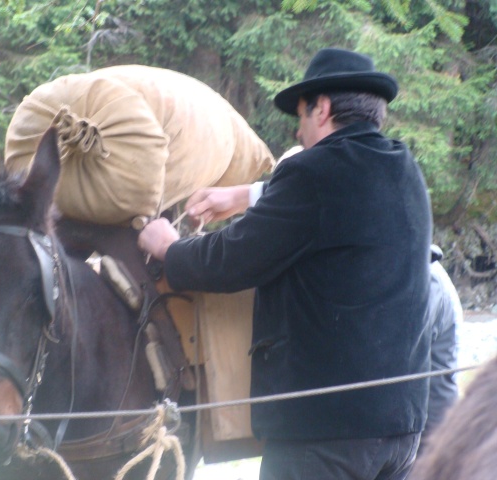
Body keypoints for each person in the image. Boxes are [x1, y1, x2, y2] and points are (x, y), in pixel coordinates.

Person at [138, 47, 433, 480]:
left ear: (323, 108)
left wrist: (169, 247)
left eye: (300, 116)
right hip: (400, 427)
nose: (298, 132)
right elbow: (334, 210)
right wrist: (246, 195)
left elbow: (232, 260)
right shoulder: (404, 168)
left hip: (323, 433)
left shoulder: (314, 172)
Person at [417, 245, 462, 457]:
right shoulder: (426, 273)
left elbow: (408, 342)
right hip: (427, 422)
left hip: (433, 429)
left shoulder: (429, 279)